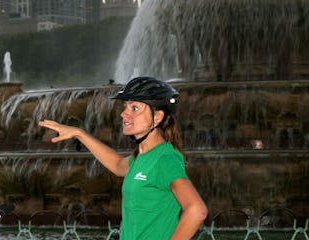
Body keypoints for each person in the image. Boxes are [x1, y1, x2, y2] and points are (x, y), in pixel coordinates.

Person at [38, 76, 207, 240]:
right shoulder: (143, 157)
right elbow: (118, 165)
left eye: (134, 108)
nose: (124, 114)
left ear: (157, 117)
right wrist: (79, 133)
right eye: (125, 107)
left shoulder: (165, 159)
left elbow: (196, 210)